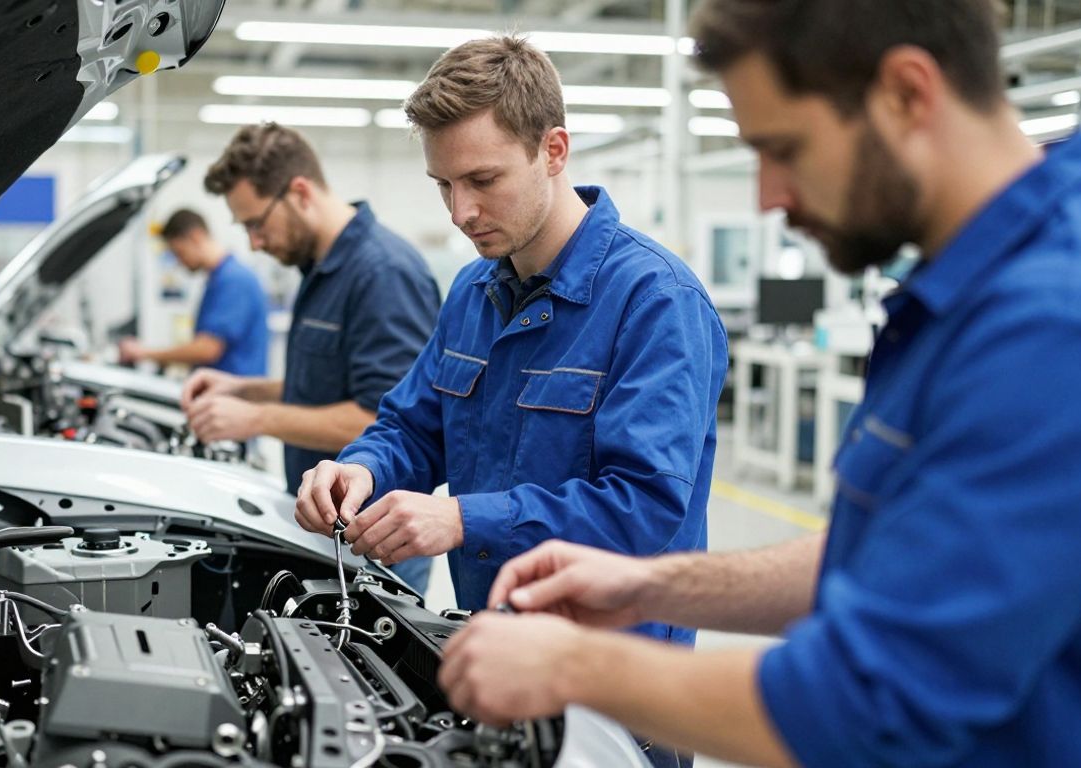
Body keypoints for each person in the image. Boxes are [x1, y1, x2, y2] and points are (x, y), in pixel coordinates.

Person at [435, 1, 1081, 766]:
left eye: (784, 147)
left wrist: (574, 664)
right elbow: (876, 554)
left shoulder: (1059, 327)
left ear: (907, 93)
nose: (768, 196)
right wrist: (650, 586)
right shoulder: (960, 299)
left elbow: (872, 703)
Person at [294, 36, 728, 651]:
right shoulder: (474, 290)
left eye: (483, 179)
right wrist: (360, 470)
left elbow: (645, 507)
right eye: (443, 184)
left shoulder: (656, 301)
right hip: (493, 640)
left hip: (618, 671)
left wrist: (464, 518)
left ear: (553, 150)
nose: (461, 212)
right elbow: (415, 428)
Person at [182, 123, 441, 592]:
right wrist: (240, 388)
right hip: (325, 534)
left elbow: (378, 417)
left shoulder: (383, 274)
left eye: (255, 223)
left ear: (299, 192)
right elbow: (322, 386)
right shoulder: (319, 270)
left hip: (371, 549)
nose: (254, 243)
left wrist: (254, 418)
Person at [118, 209, 269, 377]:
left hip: (235, 398)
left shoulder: (233, 280)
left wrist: (143, 353)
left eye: (179, 253)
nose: (178, 262)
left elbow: (207, 349)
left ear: (196, 237)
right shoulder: (219, 279)